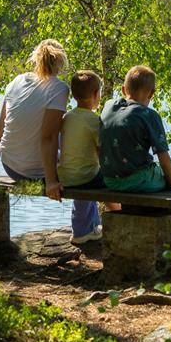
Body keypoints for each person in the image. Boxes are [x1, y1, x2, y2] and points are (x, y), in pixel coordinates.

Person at [0, 39, 68, 201]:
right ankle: (89, 225)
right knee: (74, 130)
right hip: (38, 174)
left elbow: (1, 128)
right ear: (61, 62)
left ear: (36, 59)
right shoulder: (58, 88)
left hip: (10, 167)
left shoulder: (16, 81)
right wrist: (51, 181)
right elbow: (49, 137)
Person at [99, 65, 171, 192]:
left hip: (110, 181)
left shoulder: (108, 106)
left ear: (123, 90)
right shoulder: (149, 115)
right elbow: (163, 157)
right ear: (152, 93)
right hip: (139, 180)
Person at [58, 70, 120, 244]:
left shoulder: (66, 117)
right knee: (109, 182)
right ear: (95, 94)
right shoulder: (94, 121)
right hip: (86, 177)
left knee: (87, 177)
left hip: (64, 175)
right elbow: (102, 154)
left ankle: (88, 227)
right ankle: (119, 215)